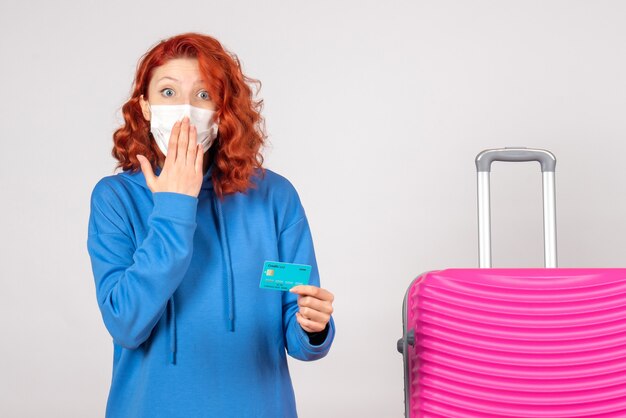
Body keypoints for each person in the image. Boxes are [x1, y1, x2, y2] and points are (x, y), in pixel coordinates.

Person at [86, 32, 336, 418]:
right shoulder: (116, 199)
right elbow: (126, 323)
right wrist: (175, 205)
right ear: (145, 106)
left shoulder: (274, 197)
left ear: (222, 111)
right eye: (168, 93)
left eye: (203, 95)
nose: (185, 109)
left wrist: (313, 326)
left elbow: (296, 324)